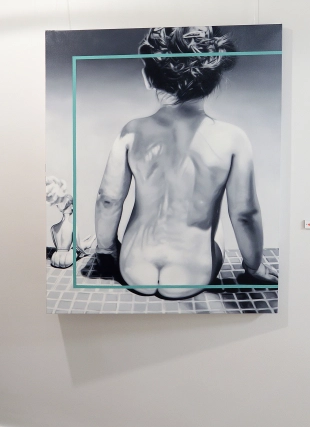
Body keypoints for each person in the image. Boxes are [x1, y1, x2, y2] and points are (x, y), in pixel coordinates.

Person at [93, 26, 278, 299]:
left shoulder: (132, 131)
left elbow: (108, 199)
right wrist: (254, 267)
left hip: (133, 269)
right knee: (215, 216)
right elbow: (245, 215)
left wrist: (107, 250)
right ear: (213, 79)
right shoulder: (233, 138)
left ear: (148, 78)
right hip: (192, 274)